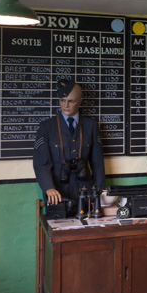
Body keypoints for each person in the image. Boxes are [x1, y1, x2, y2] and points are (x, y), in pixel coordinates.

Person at [33, 78, 106, 206]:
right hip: (57, 195)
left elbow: (97, 163)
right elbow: (41, 164)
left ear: (79, 101)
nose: (66, 106)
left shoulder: (91, 126)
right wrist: (48, 187)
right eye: (62, 101)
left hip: (85, 193)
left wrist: (98, 193)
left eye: (71, 101)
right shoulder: (47, 127)